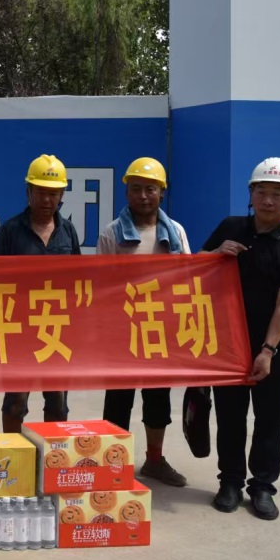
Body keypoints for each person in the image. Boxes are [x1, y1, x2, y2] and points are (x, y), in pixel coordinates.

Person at [203, 157, 280, 521]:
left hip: (274, 346)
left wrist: (267, 351)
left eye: (278, 193)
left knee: (269, 418)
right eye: (261, 191)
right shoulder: (231, 228)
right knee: (230, 416)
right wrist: (214, 254)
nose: (268, 200)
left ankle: (262, 487)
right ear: (250, 193)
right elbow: (195, 267)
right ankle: (230, 482)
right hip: (228, 343)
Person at [97, 157, 191, 487]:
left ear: (162, 192)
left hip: (160, 331)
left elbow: (187, 278)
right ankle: (113, 464)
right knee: (118, 400)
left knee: (157, 399)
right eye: (136, 189)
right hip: (123, 331)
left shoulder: (176, 232)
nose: (143, 196)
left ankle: (154, 459)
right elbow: (101, 285)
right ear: (126, 192)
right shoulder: (112, 233)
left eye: (150, 189)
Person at [0, 154, 80, 434]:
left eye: (53, 194)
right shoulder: (10, 231)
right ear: (28, 191)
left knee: (58, 402)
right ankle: (14, 451)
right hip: (20, 330)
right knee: (15, 402)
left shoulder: (68, 232)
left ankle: (53, 454)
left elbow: (78, 280)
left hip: (57, 329)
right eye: (41, 192)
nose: (47, 200)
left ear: (62, 196)